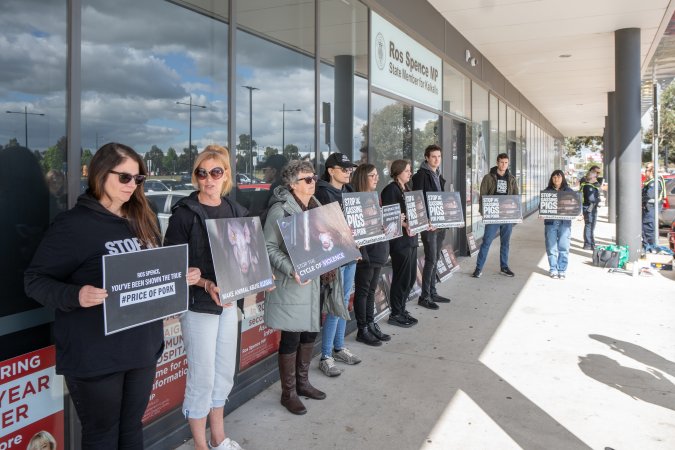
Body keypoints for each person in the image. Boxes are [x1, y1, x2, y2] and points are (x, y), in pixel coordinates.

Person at [24, 143, 200, 450]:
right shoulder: (73, 225)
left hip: (141, 348)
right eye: (125, 178)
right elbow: (34, 281)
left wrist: (179, 278)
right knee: (102, 435)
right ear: (101, 174)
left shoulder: (142, 218)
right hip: (95, 354)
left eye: (138, 179)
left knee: (132, 429)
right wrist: (75, 294)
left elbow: (152, 275)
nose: (133, 185)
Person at [163, 145, 246, 450]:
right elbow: (173, 262)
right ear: (195, 176)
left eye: (215, 172)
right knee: (202, 376)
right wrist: (204, 283)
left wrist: (258, 278)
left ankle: (218, 437)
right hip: (198, 307)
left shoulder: (236, 211)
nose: (208, 179)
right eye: (202, 173)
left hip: (227, 304)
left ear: (225, 175)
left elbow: (245, 258)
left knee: (224, 372)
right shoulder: (184, 214)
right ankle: (200, 445)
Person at [263, 160, 349, 414]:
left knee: (310, 332)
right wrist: (292, 269)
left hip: (318, 283)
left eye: (313, 178)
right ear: (292, 184)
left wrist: (345, 246)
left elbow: (328, 238)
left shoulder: (316, 205)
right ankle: (288, 392)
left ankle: (303, 383)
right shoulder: (281, 211)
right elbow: (268, 247)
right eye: (308, 179)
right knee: (291, 337)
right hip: (295, 286)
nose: (313, 182)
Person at [314, 152, 361, 376]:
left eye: (350, 169)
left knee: (344, 300)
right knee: (334, 305)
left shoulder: (349, 191)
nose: (348, 172)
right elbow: (321, 228)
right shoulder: (322, 193)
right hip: (334, 257)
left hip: (351, 253)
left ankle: (339, 346)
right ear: (331, 170)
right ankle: (326, 355)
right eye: (344, 169)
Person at [351, 163, 391, 346]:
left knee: (371, 291)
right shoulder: (354, 200)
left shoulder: (375, 197)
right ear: (362, 178)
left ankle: (370, 323)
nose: (376, 178)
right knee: (363, 291)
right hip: (365, 254)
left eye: (377, 175)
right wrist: (363, 254)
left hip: (379, 250)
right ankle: (362, 329)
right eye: (372, 175)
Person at [411, 144, 451, 310]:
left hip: (439, 223)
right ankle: (424, 296)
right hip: (429, 225)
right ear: (426, 158)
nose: (437, 159)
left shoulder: (437, 174)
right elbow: (417, 200)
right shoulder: (421, 175)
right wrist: (426, 221)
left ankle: (432, 291)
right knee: (431, 259)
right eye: (433, 156)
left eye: (439, 156)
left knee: (435, 258)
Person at [381, 159, 419, 327]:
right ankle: (395, 313)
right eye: (407, 171)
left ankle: (402, 309)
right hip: (399, 241)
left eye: (410, 170)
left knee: (410, 278)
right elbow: (390, 217)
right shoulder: (390, 190)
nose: (410, 173)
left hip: (411, 239)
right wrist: (405, 224)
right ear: (397, 172)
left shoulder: (407, 188)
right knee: (401, 278)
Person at [472, 152, 519, 278]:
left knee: (505, 242)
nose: (504, 165)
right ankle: (478, 268)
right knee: (486, 241)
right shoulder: (488, 178)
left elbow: (515, 198)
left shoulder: (512, 179)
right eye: (501, 162)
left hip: (507, 216)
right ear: (497, 163)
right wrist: (483, 212)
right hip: (492, 215)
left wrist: (516, 215)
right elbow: (483, 196)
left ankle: (504, 267)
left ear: (508, 163)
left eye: (506, 163)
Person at [543, 170, 574, 279]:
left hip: (564, 223)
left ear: (563, 178)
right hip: (550, 223)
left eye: (558, 177)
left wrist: (577, 214)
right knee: (551, 247)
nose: (556, 179)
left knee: (564, 247)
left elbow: (574, 206)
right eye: (554, 177)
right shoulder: (547, 191)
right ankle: (553, 269)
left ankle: (562, 270)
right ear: (551, 179)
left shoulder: (569, 191)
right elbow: (541, 206)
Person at [641, 162, 666, 253]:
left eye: (646, 169)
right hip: (648, 209)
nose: (645, 171)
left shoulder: (654, 182)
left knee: (649, 229)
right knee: (645, 229)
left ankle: (651, 249)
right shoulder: (650, 182)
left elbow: (648, 195)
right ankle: (647, 247)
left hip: (651, 209)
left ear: (651, 171)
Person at [580, 167, 601, 250]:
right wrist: (598, 199)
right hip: (589, 208)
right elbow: (591, 199)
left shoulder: (589, 185)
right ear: (592, 178)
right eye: (596, 177)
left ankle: (590, 243)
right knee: (589, 226)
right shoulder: (589, 186)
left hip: (589, 207)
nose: (597, 178)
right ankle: (588, 244)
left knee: (590, 226)